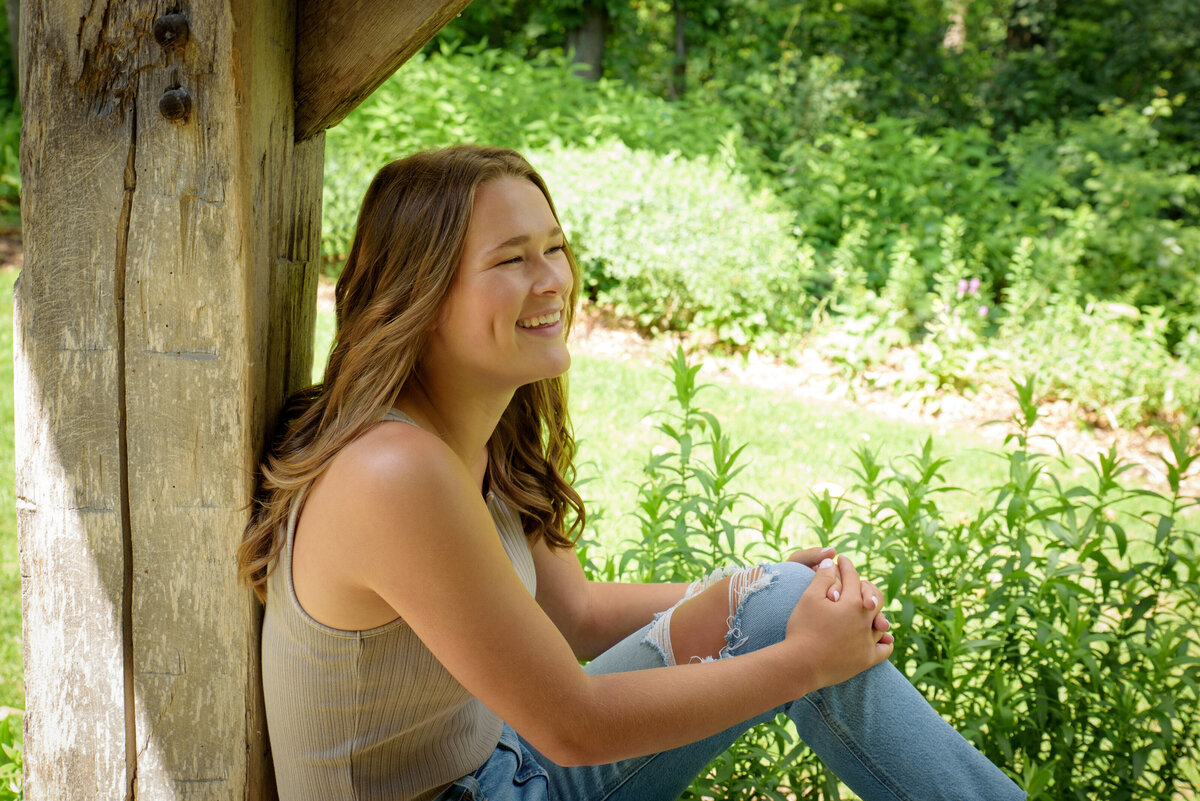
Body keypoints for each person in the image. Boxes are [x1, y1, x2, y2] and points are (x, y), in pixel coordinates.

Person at [238, 145, 1025, 801]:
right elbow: (574, 724)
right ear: (422, 295)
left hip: (502, 769)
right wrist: (806, 660)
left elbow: (572, 612)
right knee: (797, 629)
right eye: (512, 259)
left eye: (554, 247)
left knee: (781, 600)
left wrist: (750, 589)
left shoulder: (480, 430)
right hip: (504, 773)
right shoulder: (392, 471)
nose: (552, 280)